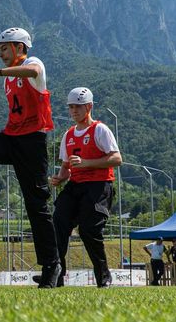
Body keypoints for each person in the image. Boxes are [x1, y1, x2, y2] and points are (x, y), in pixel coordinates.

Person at [0, 27, 61, 288]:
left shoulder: (33, 63)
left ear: (20, 47)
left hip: (33, 143)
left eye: (4, 48)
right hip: (12, 138)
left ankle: (52, 266)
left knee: (37, 207)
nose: (0, 54)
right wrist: (1, 74)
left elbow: (32, 73)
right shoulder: (10, 78)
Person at [50, 87, 122, 289]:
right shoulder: (68, 135)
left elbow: (117, 159)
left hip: (99, 186)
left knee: (89, 230)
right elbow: (66, 167)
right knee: (59, 221)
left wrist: (86, 162)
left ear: (89, 107)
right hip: (75, 185)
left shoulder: (100, 129)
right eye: (71, 107)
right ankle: (56, 274)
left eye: (78, 107)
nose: (74, 111)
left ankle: (103, 278)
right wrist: (59, 179)